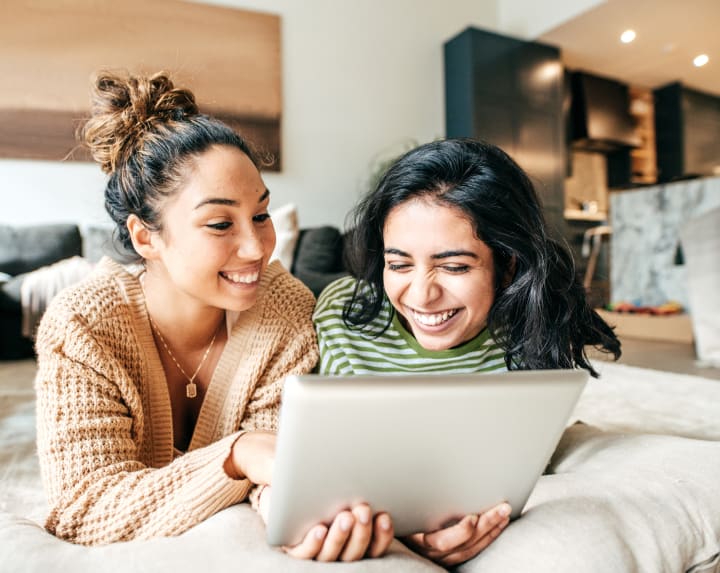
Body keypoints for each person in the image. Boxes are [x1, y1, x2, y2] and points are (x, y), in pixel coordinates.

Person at [34, 71, 394, 561]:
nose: (256, 248)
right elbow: (84, 508)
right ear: (146, 237)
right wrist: (236, 452)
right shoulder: (82, 327)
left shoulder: (285, 309)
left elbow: (275, 468)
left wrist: (295, 509)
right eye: (221, 223)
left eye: (261, 216)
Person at [313, 137, 622, 566]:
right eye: (398, 264)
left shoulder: (531, 327)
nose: (422, 295)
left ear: (508, 263)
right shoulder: (341, 315)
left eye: (455, 266)